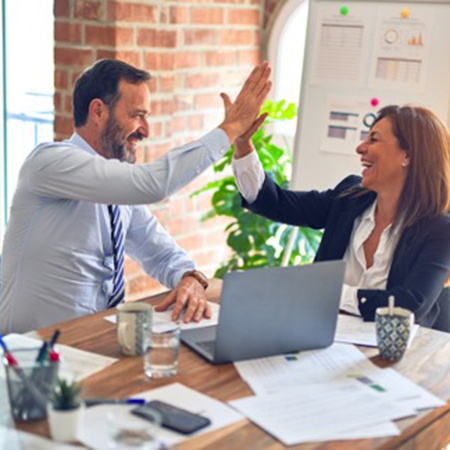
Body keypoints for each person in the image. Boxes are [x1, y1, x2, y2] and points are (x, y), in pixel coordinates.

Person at [0, 58, 271, 334]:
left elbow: (160, 251)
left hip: (92, 344)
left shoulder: (115, 190)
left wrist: (190, 277)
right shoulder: (50, 163)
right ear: (97, 112)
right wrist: (230, 129)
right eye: (137, 115)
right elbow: (152, 184)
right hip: (29, 354)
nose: (146, 131)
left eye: (147, 116)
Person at [231, 104, 450, 328]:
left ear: (408, 155)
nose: (360, 148)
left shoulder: (440, 229)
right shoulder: (349, 197)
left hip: (395, 353)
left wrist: (330, 293)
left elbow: (409, 305)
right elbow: (275, 202)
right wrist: (242, 144)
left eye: (373, 140)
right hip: (324, 337)